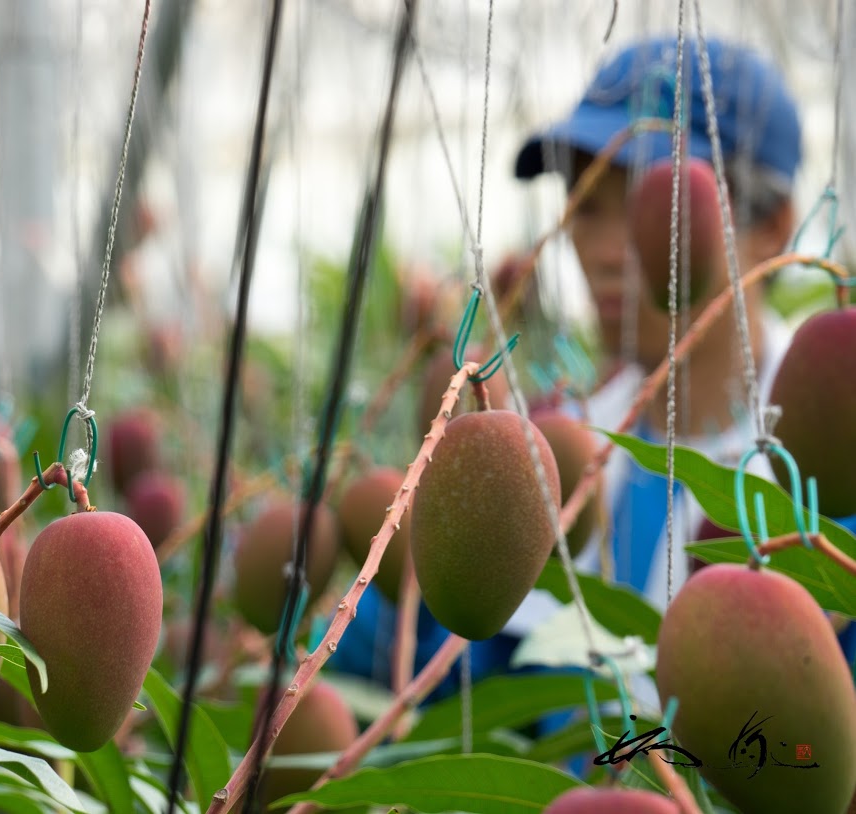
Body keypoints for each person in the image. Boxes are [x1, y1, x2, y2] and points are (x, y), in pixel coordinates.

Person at [324, 33, 855, 722]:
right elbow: (404, 653)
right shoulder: (549, 457)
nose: (604, 250)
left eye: (649, 207)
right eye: (583, 205)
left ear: (773, 228)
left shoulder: (830, 474)